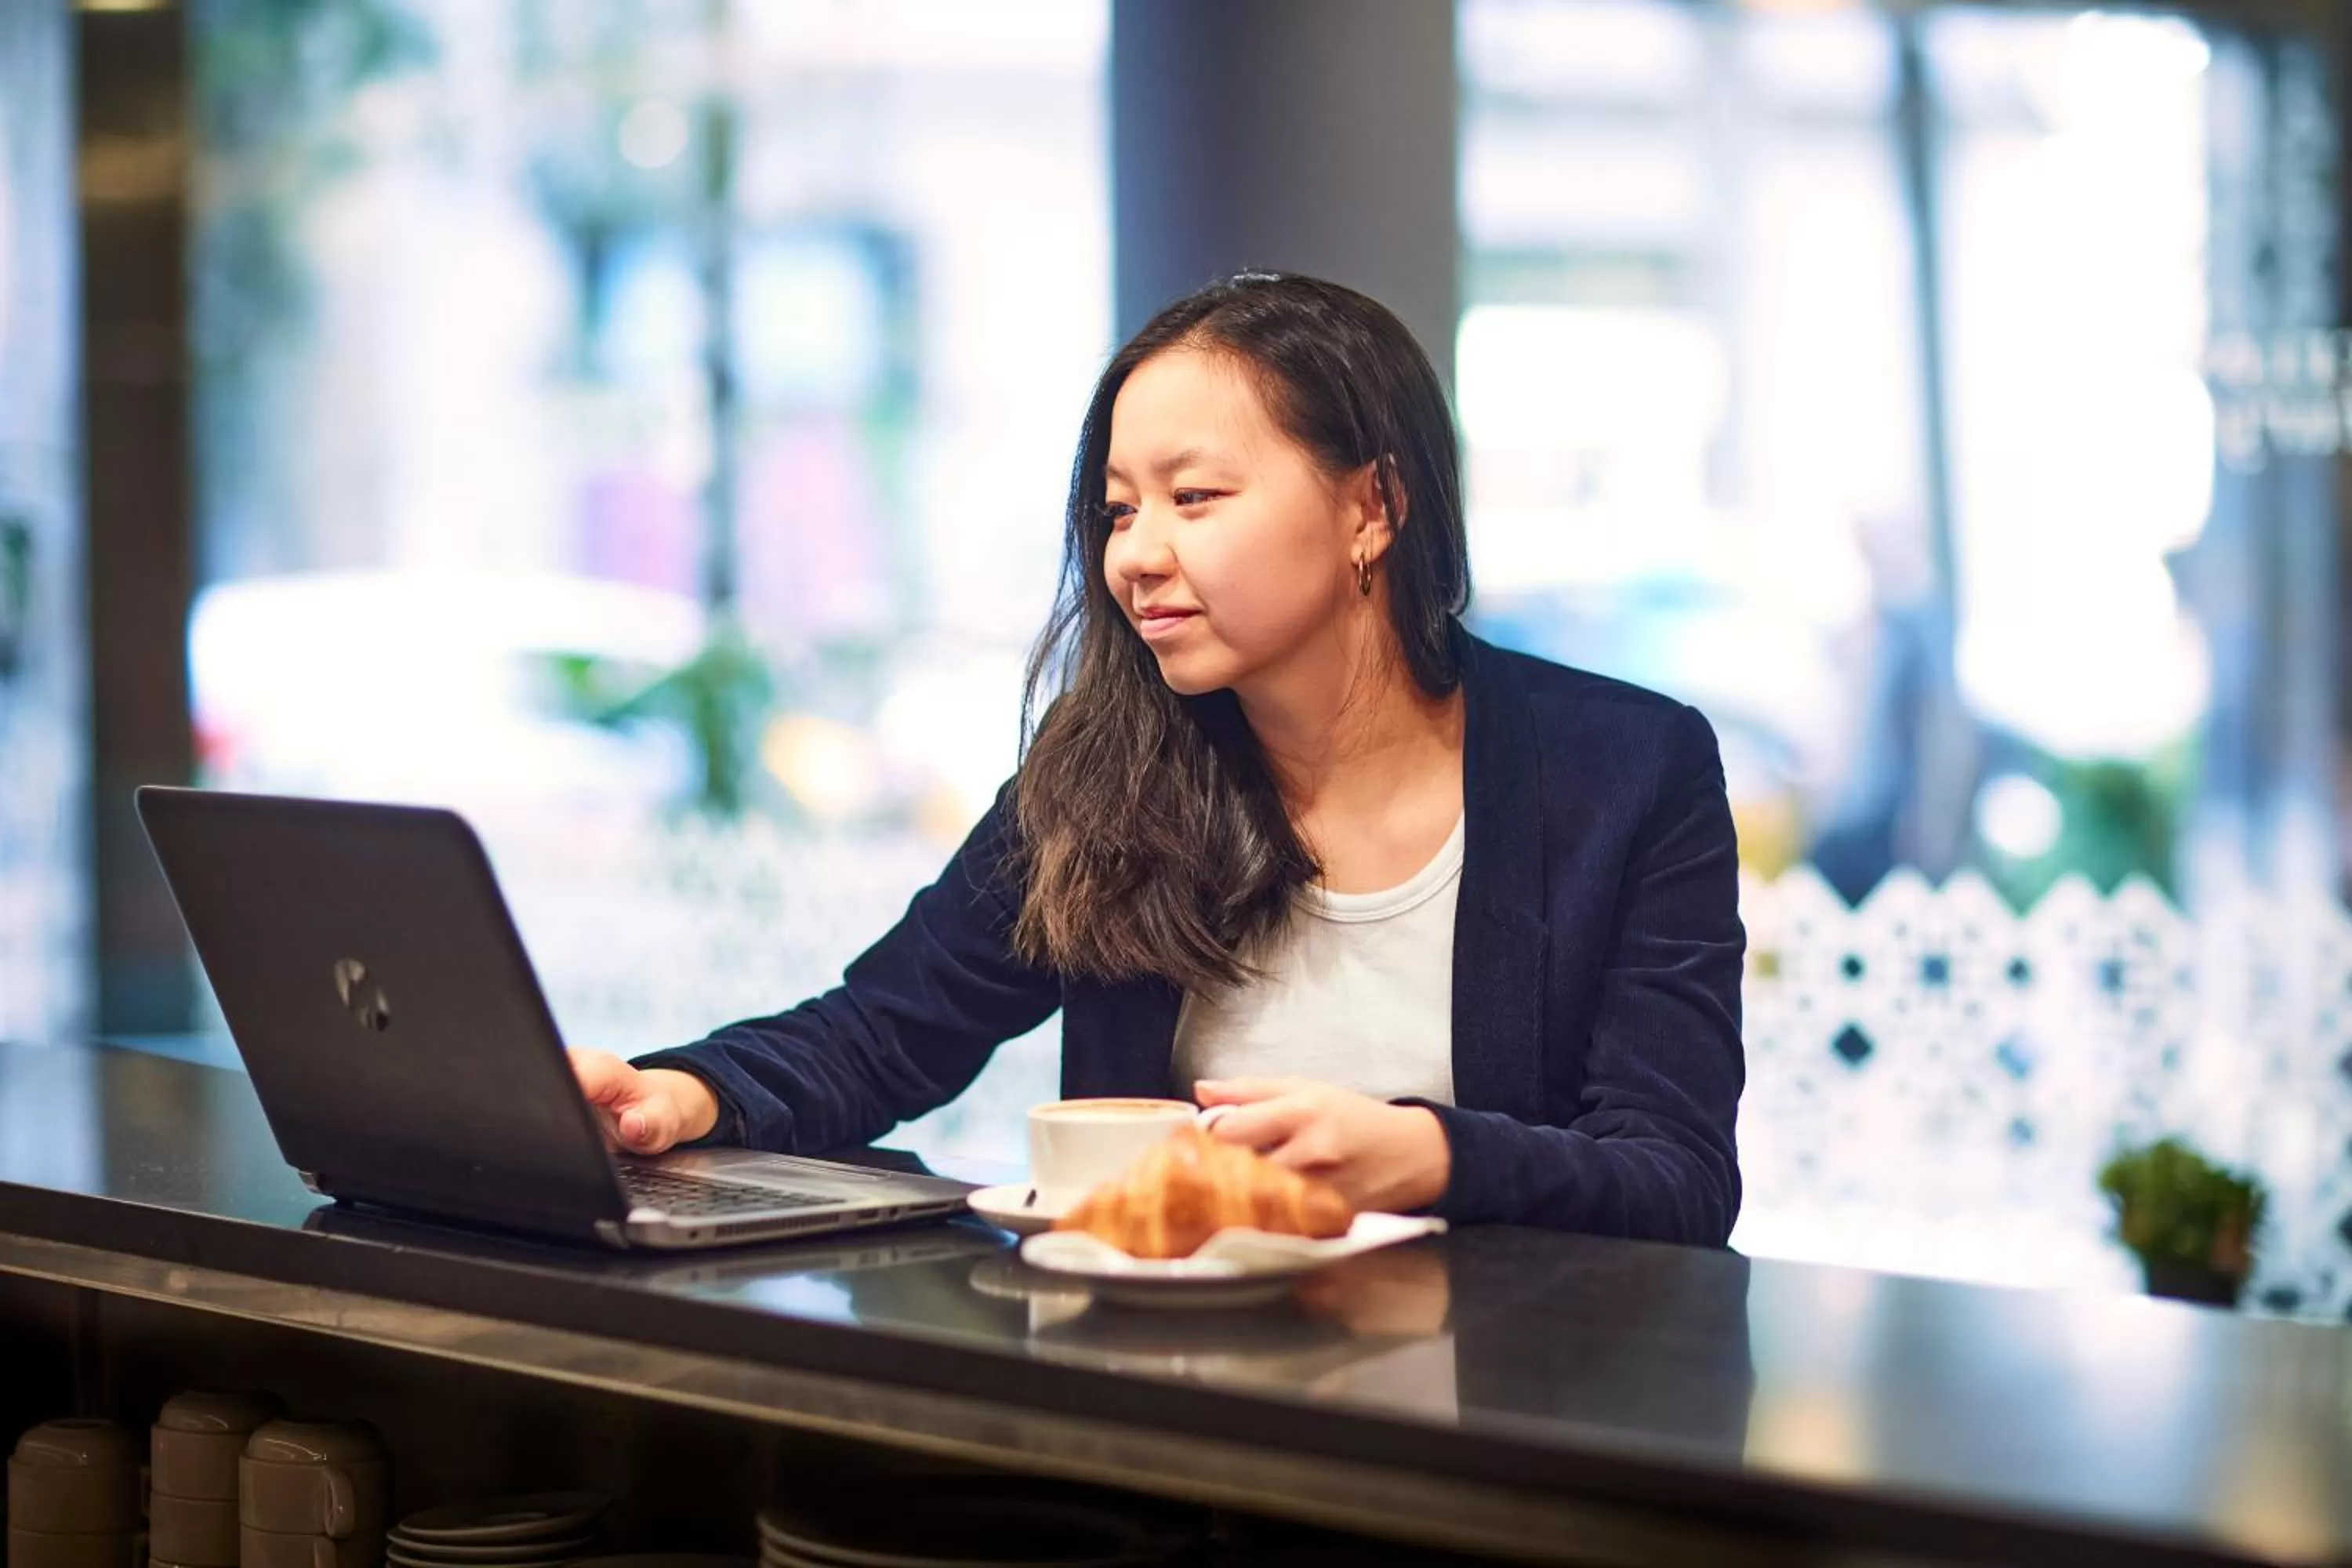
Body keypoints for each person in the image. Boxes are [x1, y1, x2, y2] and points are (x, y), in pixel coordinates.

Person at [569, 272, 1745, 1246]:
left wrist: (1427, 1155)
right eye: (1120, 510)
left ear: (1372, 507)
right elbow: (882, 1032)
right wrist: (689, 1095)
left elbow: (1676, 1179)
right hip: (1161, 1395)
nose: (1137, 555)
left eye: (1195, 496)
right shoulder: (1111, 772)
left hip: (1494, 1416)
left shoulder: (1628, 772)